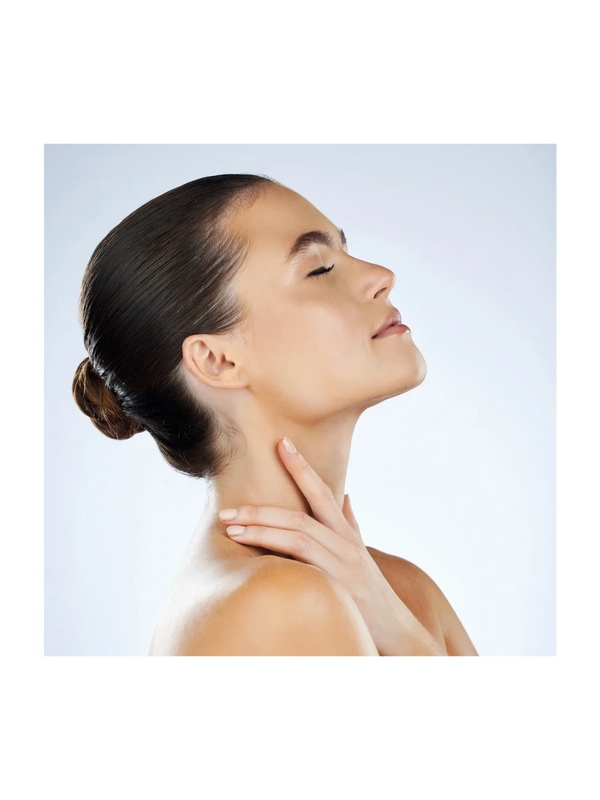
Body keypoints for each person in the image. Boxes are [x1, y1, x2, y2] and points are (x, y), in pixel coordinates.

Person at [72, 174, 479, 659]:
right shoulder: (281, 603)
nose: (381, 275)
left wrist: (397, 626)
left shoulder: (399, 592)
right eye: (320, 269)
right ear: (217, 360)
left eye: (347, 251)